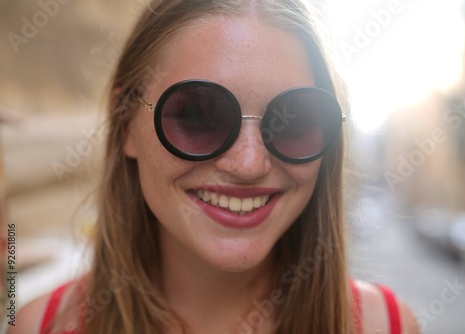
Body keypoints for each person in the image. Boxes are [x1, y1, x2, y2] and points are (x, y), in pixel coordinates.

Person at [11, 0, 419, 333]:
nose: (249, 164)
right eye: (198, 116)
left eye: (294, 120)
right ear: (125, 125)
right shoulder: (38, 327)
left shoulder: (386, 325)